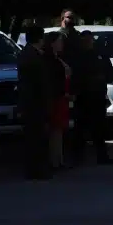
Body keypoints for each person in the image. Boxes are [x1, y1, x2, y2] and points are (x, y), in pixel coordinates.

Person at [17, 31, 53, 180]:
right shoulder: (33, 57)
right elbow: (38, 82)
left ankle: (35, 169)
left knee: (34, 136)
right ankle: (36, 170)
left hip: (31, 102)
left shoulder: (27, 53)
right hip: (34, 103)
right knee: (36, 137)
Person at [73, 31, 113, 163]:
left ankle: (102, 156)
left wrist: (101, 79)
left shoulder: (100, 55)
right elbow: (75, 76)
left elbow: (110, 73)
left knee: (99, 128)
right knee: (80, 129)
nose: (88, 42)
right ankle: (78, 157)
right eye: (85, 40)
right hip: (82, 97)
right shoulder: (77, 56)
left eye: (90, 40)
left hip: (98, 96)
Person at [46, 32, 72, 170]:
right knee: (55, 129)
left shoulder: (58, 58)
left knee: (59, 130)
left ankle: (59, 159)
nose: (61, 44)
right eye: (59, 41)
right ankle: (54, 161)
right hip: (56, 98)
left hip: (62, 98)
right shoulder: (50, 60)